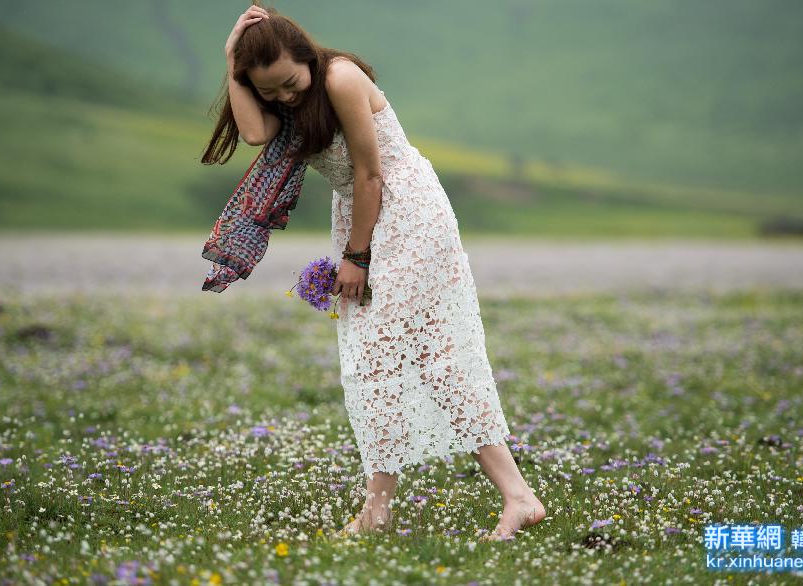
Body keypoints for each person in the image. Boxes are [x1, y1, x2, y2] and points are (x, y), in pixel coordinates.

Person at [201, 2, 545, 541]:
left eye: (291, 83)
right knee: (395, 358)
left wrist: (357, 257)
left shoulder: (339, 77)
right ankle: (476, 500)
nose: (285, 98)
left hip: (404, 210)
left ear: (306, 55)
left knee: (397, 353)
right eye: (270, 92)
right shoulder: (284, 98)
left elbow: (369, 172)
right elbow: (252, 134)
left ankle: (405, 508)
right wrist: (232, 64)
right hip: (360, 216)